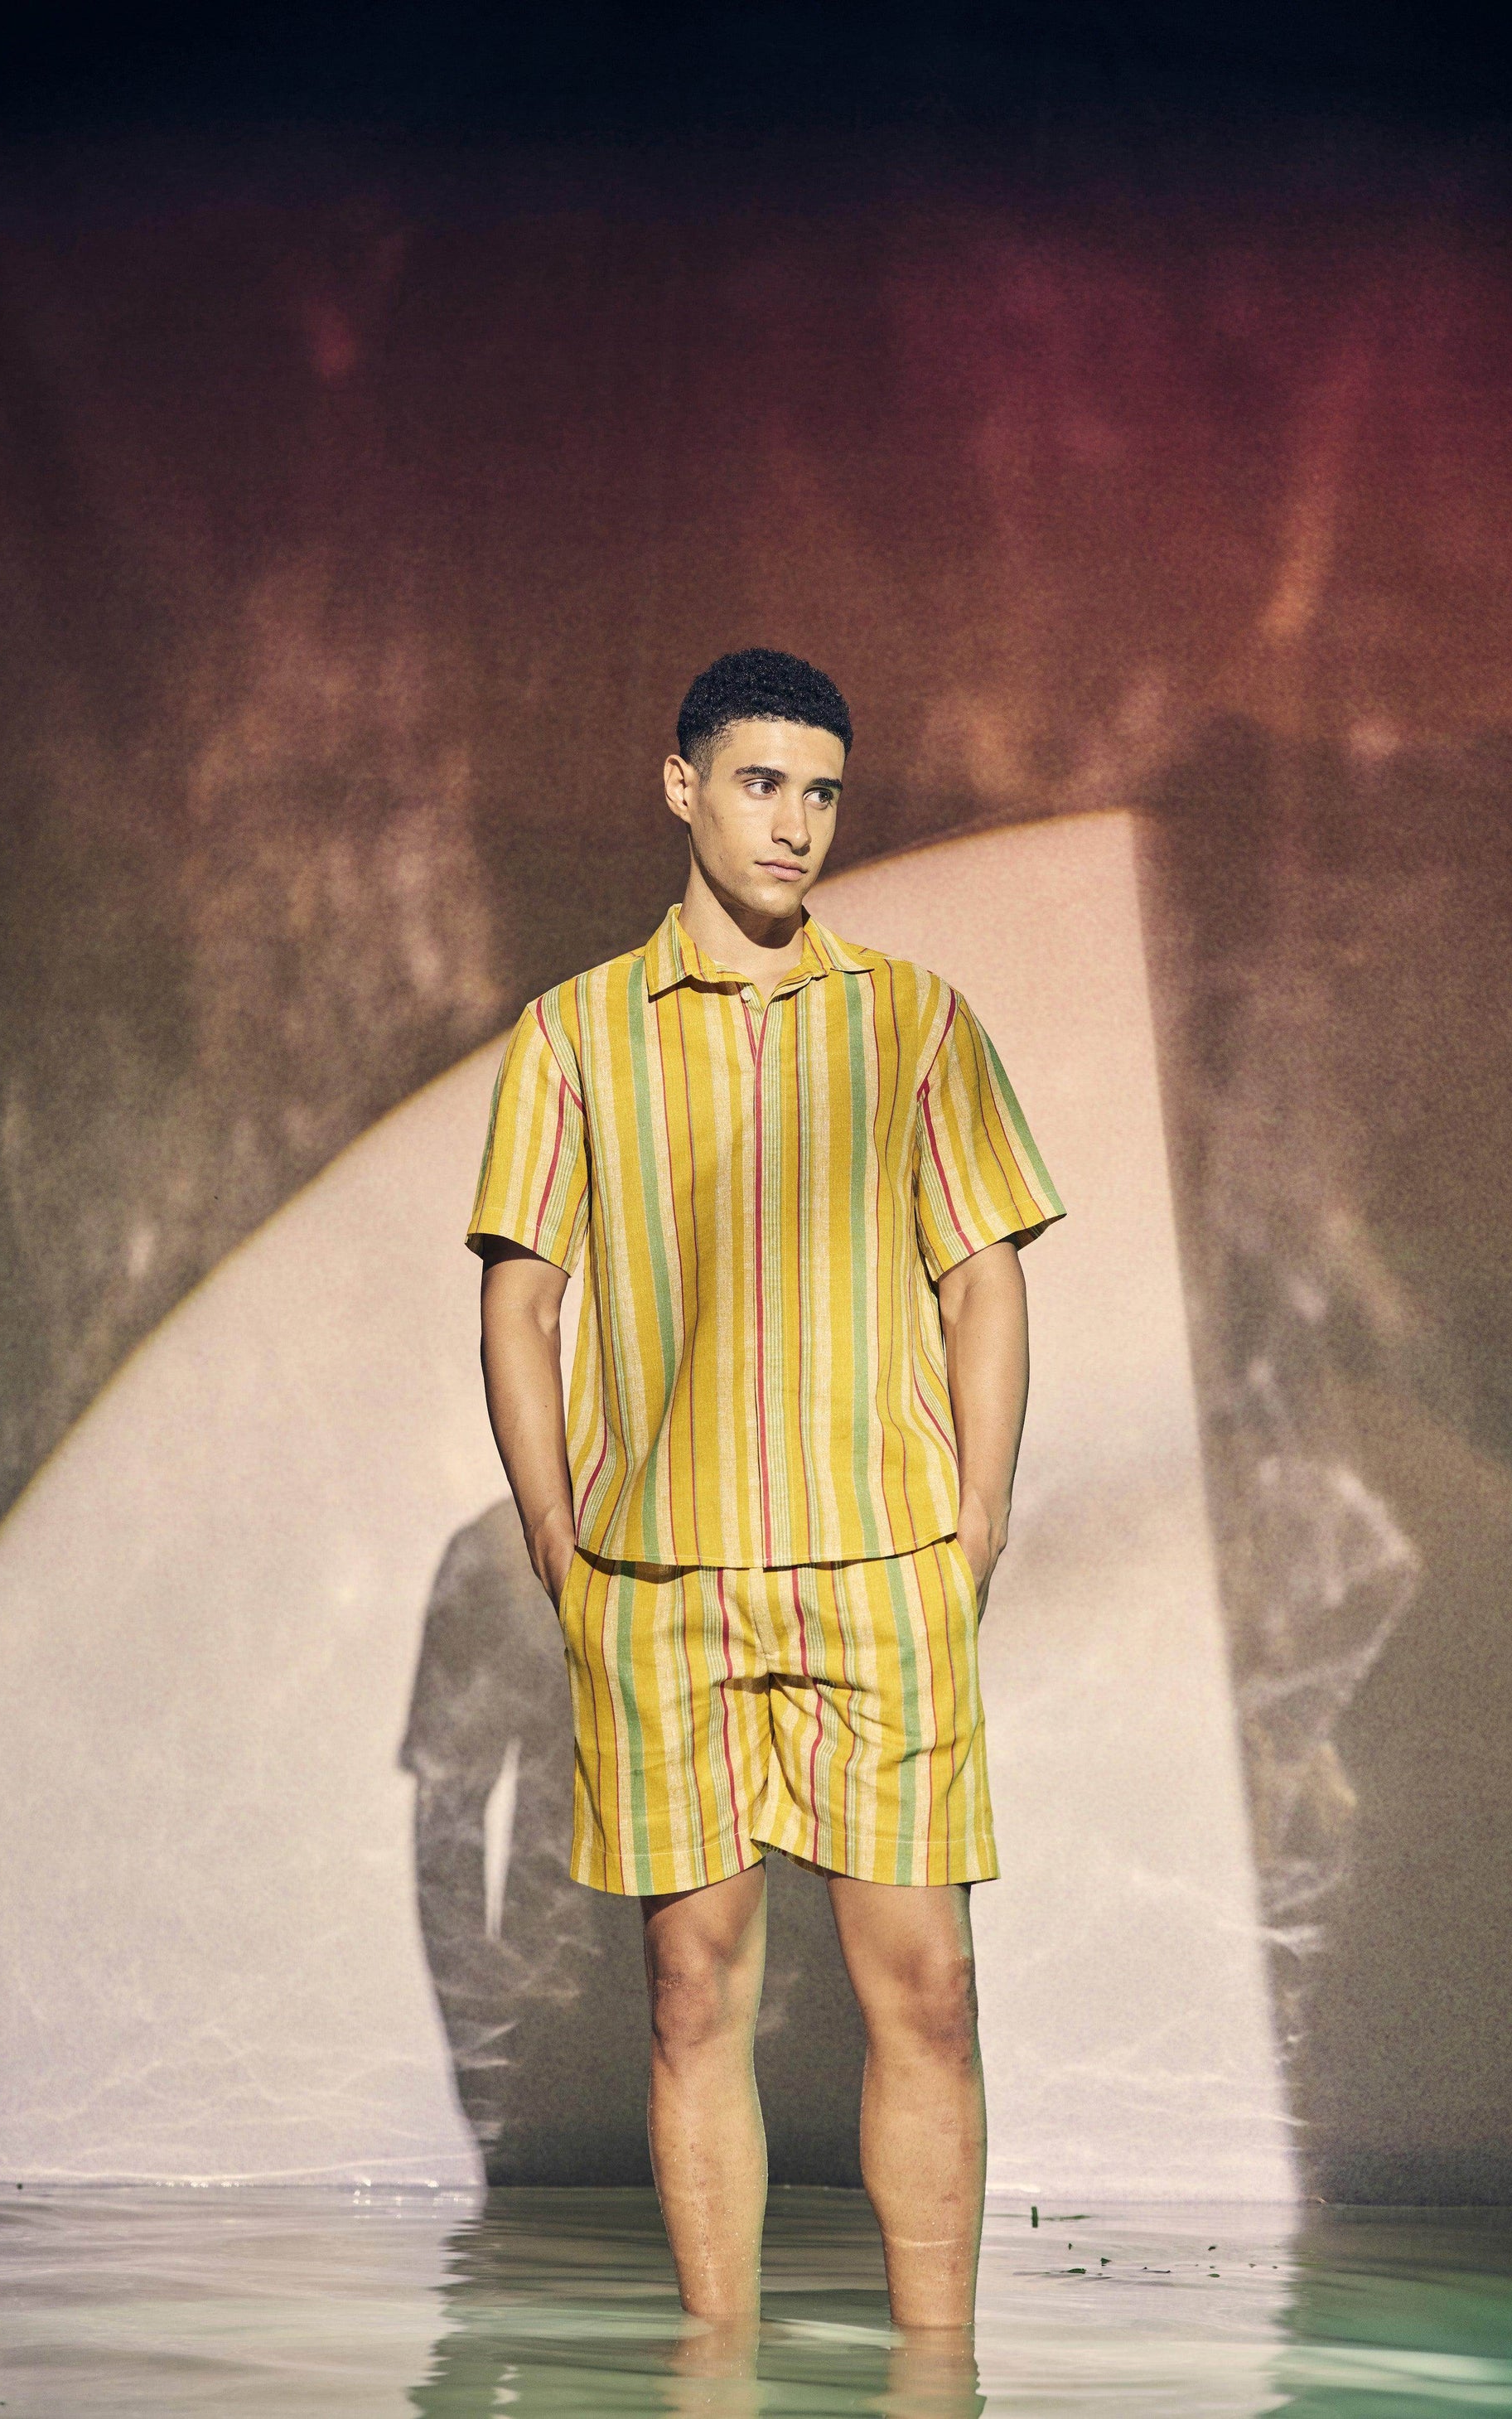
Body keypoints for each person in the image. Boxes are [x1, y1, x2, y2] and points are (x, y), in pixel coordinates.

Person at [466, 647, 1064, 2331]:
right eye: (758, 782)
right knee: (689, 1992)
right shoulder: (573, 1032)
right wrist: (556, 1537)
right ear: (681, 786)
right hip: (664, 1581)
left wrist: (979, 1517)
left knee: (928, 1993)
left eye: (820, 792)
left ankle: (937, 2377)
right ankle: (718, 2374)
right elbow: (519, 1300)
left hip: (880, 1563)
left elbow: (985, 1273)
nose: (793, 822)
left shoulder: (915, 1018)